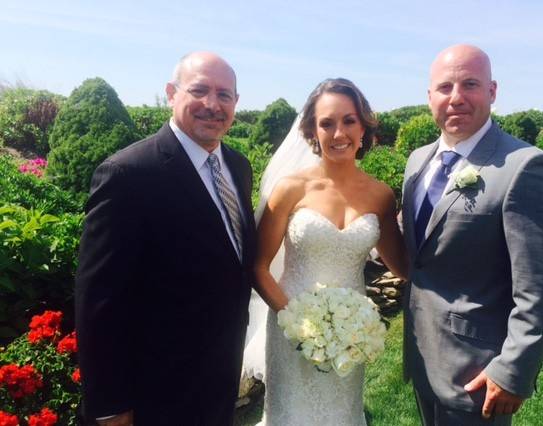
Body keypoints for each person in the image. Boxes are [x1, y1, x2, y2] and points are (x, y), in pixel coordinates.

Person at [75, 52, 256, 426]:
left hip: (218, 380)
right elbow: (99, 298)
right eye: (199, 90)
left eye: (224, 94)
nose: (212, 104)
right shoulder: (128, 174)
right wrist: (110, 404)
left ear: (236, 103)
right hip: (155, 392)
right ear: (171, 94)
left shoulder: (238, 166)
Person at [402, 44, 543, 425]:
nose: (456, 98)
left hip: (479, 374)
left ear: (492, 91)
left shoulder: (526, 168)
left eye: (470, 84)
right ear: (429, 96)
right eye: (445, 87)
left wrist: (512, 370)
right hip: (423, 358)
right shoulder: (417, 162)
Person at [251, 78, 408, 425]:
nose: (339, 133)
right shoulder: (291, 189)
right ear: (312, 130)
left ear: (364, 125)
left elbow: (403, 266)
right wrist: (297, 323)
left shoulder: (380, 195)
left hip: (351, 334)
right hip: (291, 326)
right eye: (327, 123)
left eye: (349, 120)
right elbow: (259, 267)